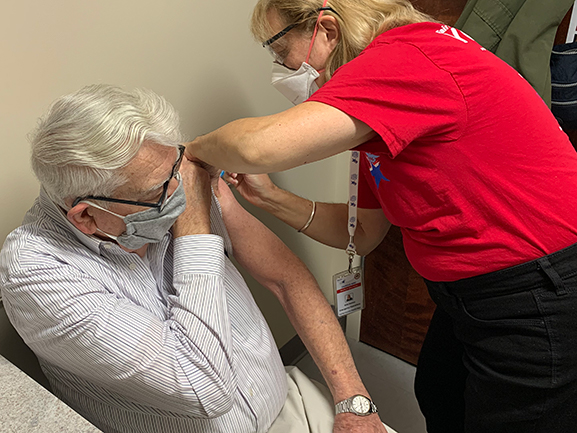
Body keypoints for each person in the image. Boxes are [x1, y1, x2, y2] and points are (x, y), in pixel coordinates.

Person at [184, 0, 577, 432]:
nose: (282, 69)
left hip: (535, 287)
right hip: (469, 291)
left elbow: (257, 147)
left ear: (327, 30)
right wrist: (272, 198)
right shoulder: (383, 115)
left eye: (281, 54)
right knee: (440, 393)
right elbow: (365, 233)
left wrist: (191, 154)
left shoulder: (405, 57)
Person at [0, 84, 395, 433]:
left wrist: (353, 402)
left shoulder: (168, 177)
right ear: (86, 216)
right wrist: (195, 230)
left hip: (288, 403)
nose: (181, 191)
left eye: (177, 168)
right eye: (159, 191)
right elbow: (203, 387)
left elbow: (286, 279)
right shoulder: (35, 273)